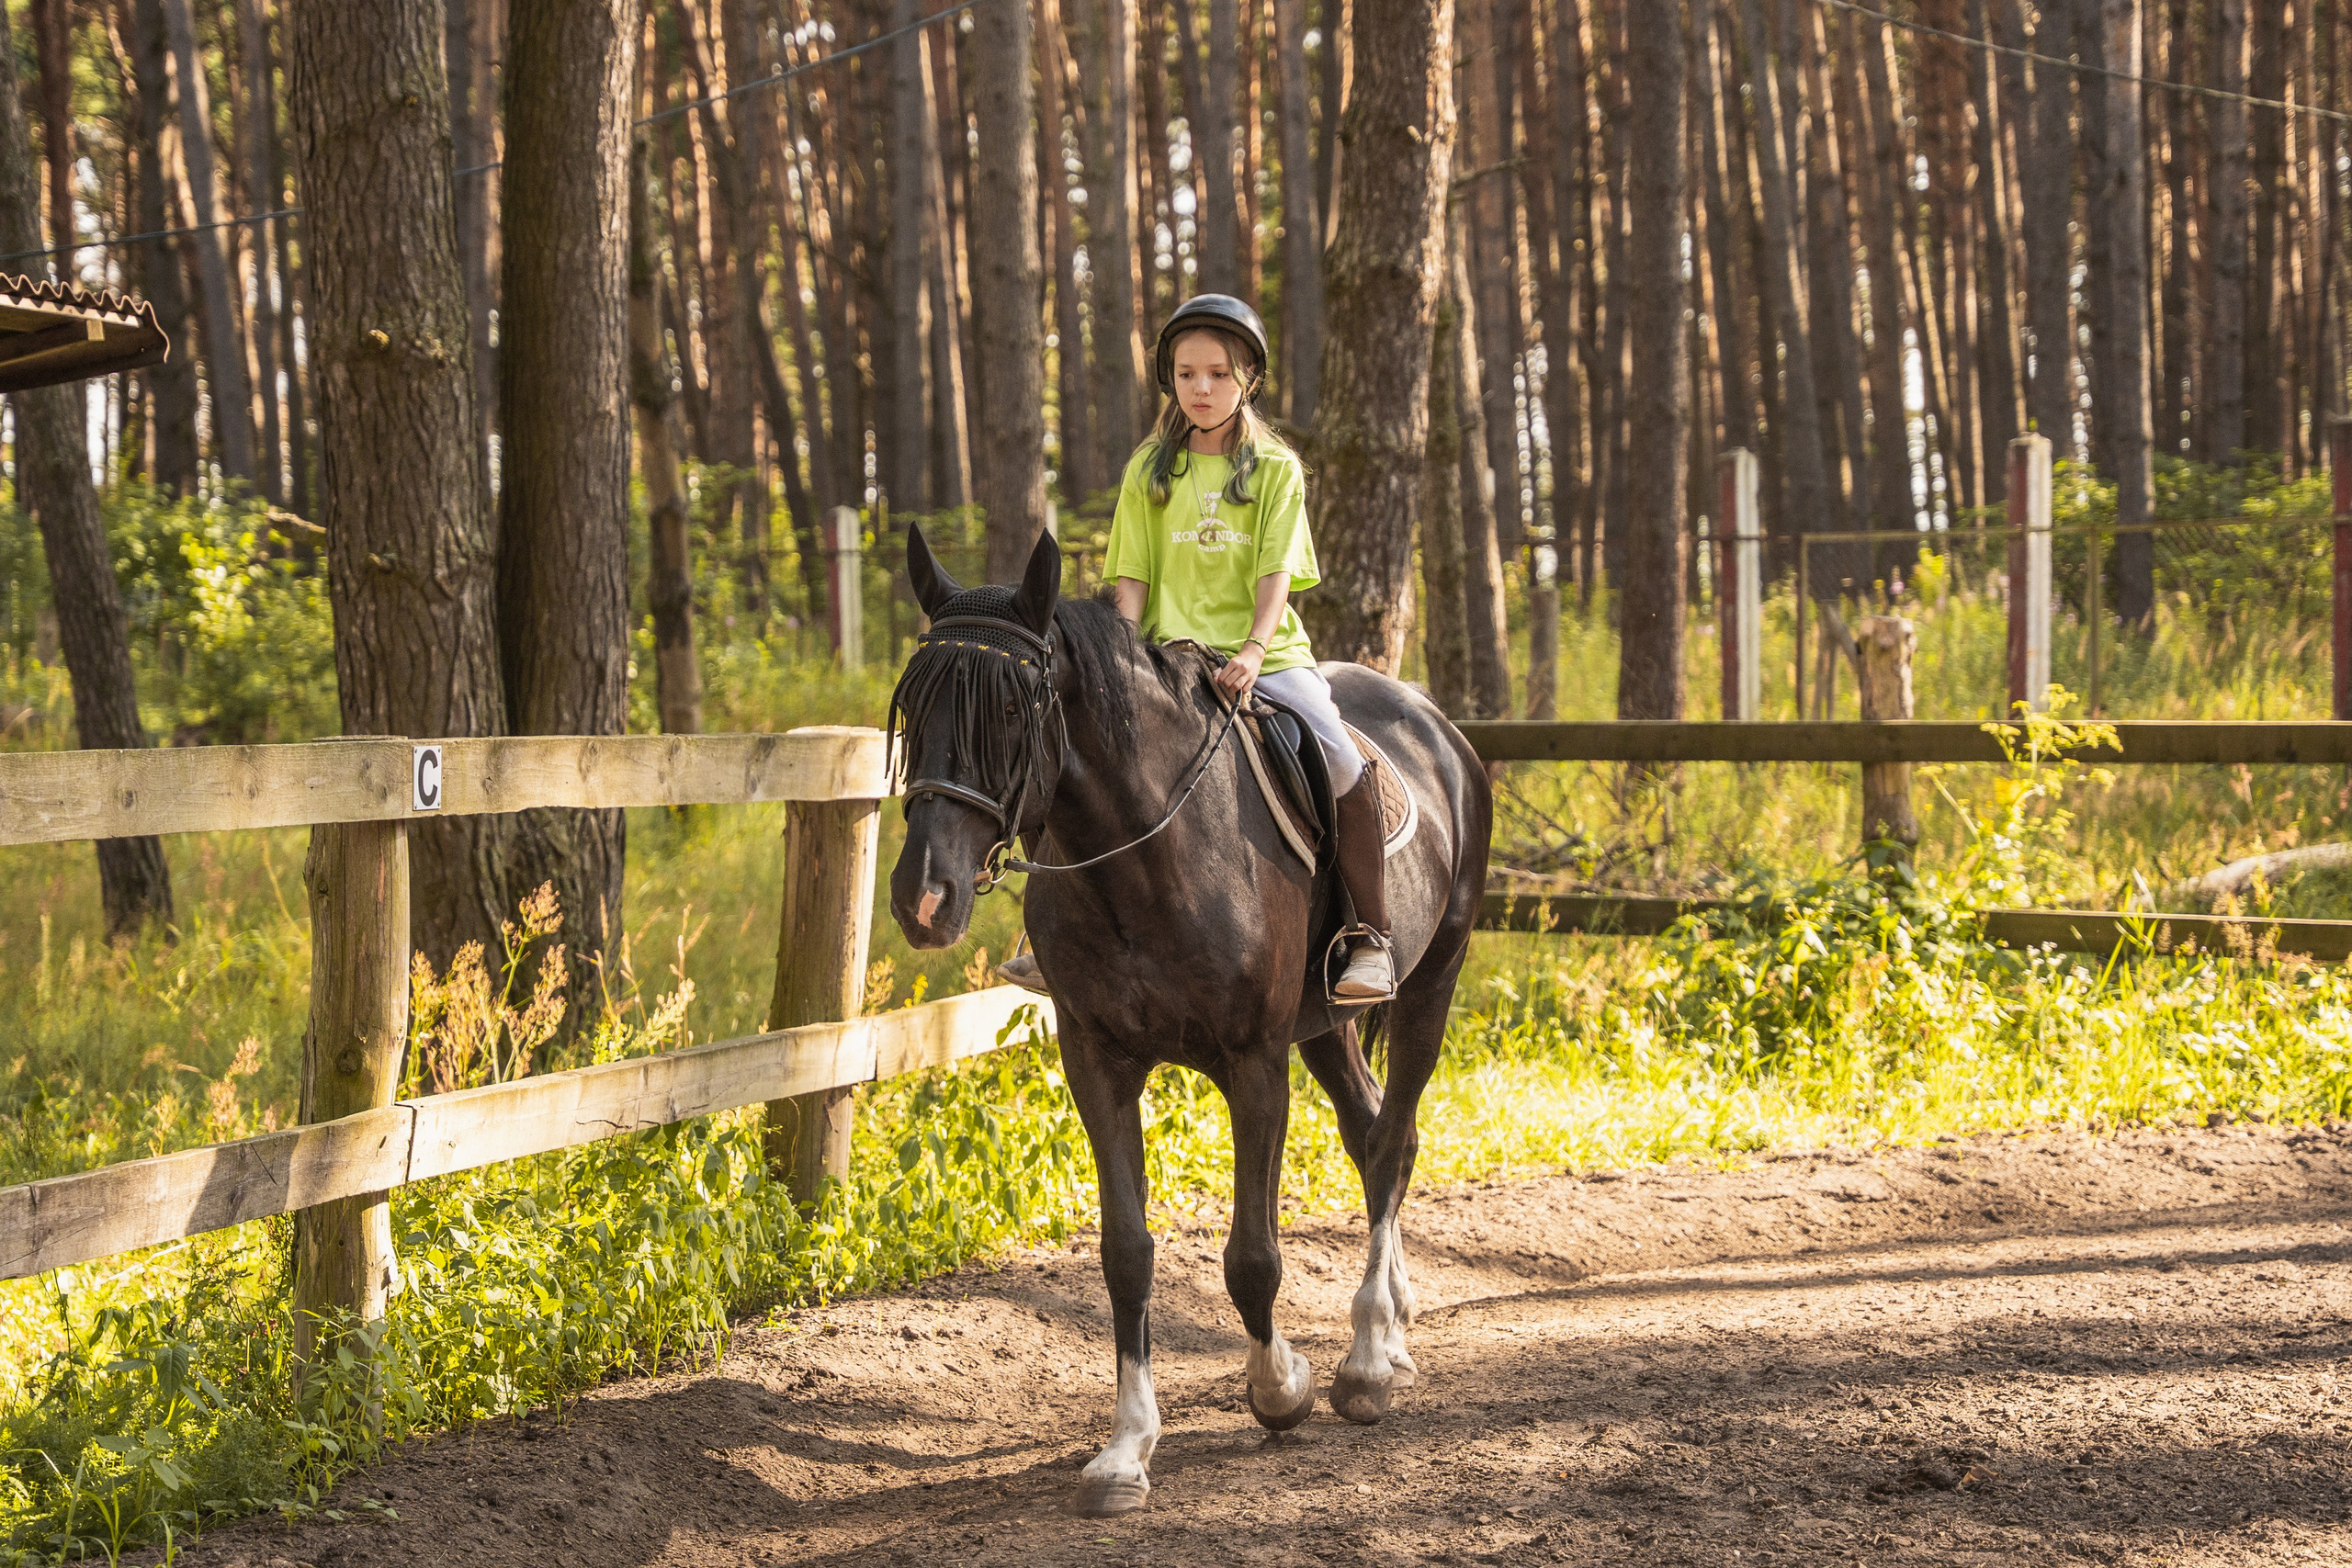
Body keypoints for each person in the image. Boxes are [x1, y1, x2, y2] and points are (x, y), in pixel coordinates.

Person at [998, 293, 1393, 1002]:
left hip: (1262, 660)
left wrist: (1251, 649)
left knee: (1337, 751)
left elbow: (1277, 575)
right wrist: (1114, 660)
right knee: (1074, 747)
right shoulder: (1150, 469)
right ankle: (1047, 925)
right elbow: (1132, 586)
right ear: (1170, 381)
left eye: (1217, 373)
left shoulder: (1275, 469)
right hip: (1164, 662)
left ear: (1248, 378)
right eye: (1185, 375)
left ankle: (1369, 935)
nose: (1201, 389)